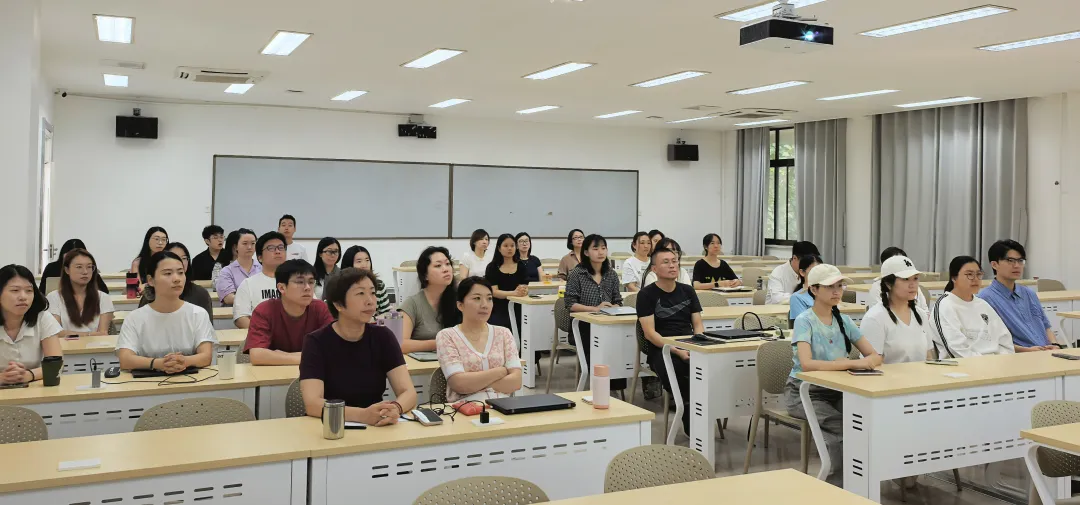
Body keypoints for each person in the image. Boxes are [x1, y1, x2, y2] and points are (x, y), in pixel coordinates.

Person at [784, 264, 882, 486]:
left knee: (865, 423)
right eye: (830, 287)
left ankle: (859, 482)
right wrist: (850, 363)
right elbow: (807, 364)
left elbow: (875, 356)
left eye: (840, 286)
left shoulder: (844, 320)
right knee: (843, 430)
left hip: (837, 390)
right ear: (814, 289)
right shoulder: (805, 320)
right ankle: (839, 487)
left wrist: (862, 362)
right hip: (804, 393)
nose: (837, 291)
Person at [300, 268, 417, 426]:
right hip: (331, 425)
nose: (370, 301)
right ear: (338, 304)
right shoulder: (316, 342)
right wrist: (362, 415)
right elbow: (313, 404)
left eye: (373, 293)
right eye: (360, 293)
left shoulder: (383, 336)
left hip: (376, 425)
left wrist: (395, 408)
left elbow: (408, 392)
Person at [637, 247, 704, 433]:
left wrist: (698, 345)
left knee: (710, 367)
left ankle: (704, 409)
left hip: (689, 344)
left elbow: (698, 324)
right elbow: (650, 334)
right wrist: (677, 350)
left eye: (674, 261)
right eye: (666, 262)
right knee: (677, 370)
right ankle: (689, 413)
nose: (672, 265)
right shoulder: (646, 295)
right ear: (654, 269)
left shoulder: (688, 291)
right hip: (662, 348)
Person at [116, 251, 216, 373]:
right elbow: (125, 360)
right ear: (151, 280)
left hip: (190, 378)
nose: (177, 279)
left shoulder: (198, 314)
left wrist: (183, 361)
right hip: (146, 381)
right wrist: (159, 364)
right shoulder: (135, 318)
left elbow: (206, 357)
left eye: (180, 273)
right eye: (168, 273)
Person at [436, 276, 523, 402]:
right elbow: (459, 384)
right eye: (477, 298)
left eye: (489, 298)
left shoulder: (504, 333)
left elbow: (516, 382)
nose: (484, 305)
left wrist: (475, 384)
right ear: (460, 305)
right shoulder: (447, 336)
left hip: (502, 408)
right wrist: (500, 372)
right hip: (466, 408)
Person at [245, 259, 334, 365]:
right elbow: (257, 356)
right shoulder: (264, 310)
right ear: (282, 288)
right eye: (300, 282)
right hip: (274, 373)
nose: (307, 288)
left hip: (313, 372)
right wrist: (309, 356)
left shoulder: (321, 308)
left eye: (311, 282)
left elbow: (333, 349)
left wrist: (278, 355)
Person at [565, 234, 625, 390]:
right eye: (596, 248)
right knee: (597, 350)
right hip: (584, 325)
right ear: (586, 252)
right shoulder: (577, 274)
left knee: (621, 343)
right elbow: (570, 304)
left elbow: (618, 300)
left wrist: (614, 307)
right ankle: (600, 386)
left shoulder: (611, 274)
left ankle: (613, 387)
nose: (601, 252)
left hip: (608, 323)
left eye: (604, 248)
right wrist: (596, 309)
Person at [978, 240, 1061, 352]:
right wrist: (1027, 351)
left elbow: (1046, 326)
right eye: (1010, 261)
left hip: (1046, 352)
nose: (1017, 266)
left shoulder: (1029, 294)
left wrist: (1055, 344)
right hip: (1017, 356)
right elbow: (992, 341)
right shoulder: (985, 299)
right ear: (994, 264)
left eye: (1020, 261)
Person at [930, 256, 1014, 358]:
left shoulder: (983, 304)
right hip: (966, 365)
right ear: (954, 278)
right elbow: (957, 350)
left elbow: (1005, 341)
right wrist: (987, 363)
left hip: (995, 363)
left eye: (978, 274)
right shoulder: (945, 305)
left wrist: (1000, 361)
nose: (975, 279)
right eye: (969, 274)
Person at [860, 255, 932, 364]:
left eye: (916, 278)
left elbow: (929, 357)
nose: (913, 285)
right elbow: (870, 364)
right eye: (905, 279)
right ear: (888, 284)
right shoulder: (875, 318)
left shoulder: (921, 315)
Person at [0, 264, 63, 385]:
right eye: (15, 290)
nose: (23, 297)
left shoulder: (42, 318)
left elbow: (56, 364)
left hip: (33, 389)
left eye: (29, 290)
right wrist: (2, 378)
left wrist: (28, 375)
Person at [401, 247, 459, 353]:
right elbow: (400, 344)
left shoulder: (460, 301)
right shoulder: (411, 304)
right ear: (425, 275)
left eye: (447, 264)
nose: (446, 269)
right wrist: (439, 343)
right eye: (438, 265)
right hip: (423, 362)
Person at [46, 249, 114, 337]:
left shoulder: (103, 298)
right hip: (64, 345)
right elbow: (56, 333)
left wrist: (70, 334)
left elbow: (102, 334)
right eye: (79, 267)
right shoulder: (54, 297)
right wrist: (89, 334)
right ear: (67, 270)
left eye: (89, 267)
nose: (85, 272)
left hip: (95, 345)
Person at [138, 243, 214, 318]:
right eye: (168, 273)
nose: (179, 261)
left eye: (184, 258)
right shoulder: (150, 294)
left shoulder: (200, 294)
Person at [232, 231, 287, 328]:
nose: (278, 251)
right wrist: (264, 333)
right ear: (260, 257)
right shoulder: (248, 284)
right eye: (271, 248)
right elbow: (241, 319)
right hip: (261, 334)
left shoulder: (298, 282)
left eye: (281, 247)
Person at [484, 234, 528, 329]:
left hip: (518, 306)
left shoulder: (521, 266)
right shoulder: (492, 267)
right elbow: (494, 292)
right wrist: (514, 293)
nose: (509, 248)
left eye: (512, 245)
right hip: (498, 308)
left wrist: (522, 291)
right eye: (506, 246)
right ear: (499, 248)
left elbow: (524, 288)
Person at [867, 247, 928, 314]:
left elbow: (925, 311)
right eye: (905, 279)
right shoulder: (877, 287)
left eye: (915, 278)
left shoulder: (912, 286)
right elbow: (879, 314)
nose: (912, 284)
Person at [39, 239, 110, 294]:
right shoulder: (51, 268)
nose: (84, 271)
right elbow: (41, 292)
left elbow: (104, 292)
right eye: (69, 256)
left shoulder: (88, 269)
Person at [338, 246, 391, 315]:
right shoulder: (341, 286)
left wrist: (374, 319)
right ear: (349, 265)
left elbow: (387, 313)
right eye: (359, 261)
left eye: (367, 260)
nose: (364, 265)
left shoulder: (379, 284)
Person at [216, 228, 260, 306]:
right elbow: (228, 298)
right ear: (236, 247)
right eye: (245, 243)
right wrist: (257, 299)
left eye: (253, 243)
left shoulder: (262, 269)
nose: (249, 247)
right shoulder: (227, 271)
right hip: (235, 311)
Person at [788, 255, 823, 322]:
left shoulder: (827, 293)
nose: (818, 274)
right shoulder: (797, 297)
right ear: (802, 272)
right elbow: (802, 324)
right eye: (814, 271)